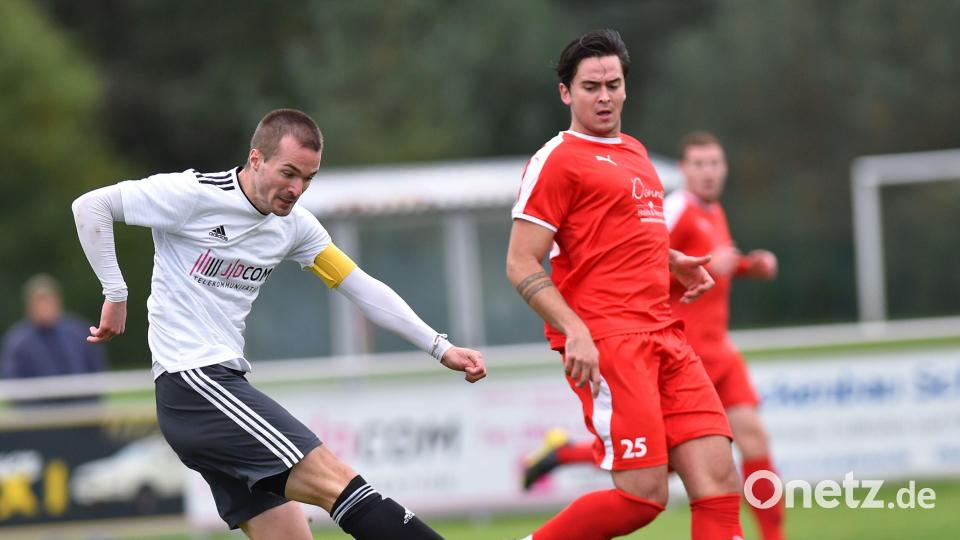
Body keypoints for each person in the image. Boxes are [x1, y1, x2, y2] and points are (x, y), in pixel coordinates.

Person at [71, 108, 486, 540]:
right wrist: (116, 294)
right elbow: (91, 206)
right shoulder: (193, 194)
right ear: (256, 159)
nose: (296, 189)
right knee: (337, 480)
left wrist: (441, 347)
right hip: (196, 385)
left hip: (212, 391)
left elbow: (360, 287)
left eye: (308, 179)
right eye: (288, 173)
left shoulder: (295, 227)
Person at [506, 30, 743, 540]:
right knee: (642, 496)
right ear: (566, 92)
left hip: (667, 334)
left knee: (721, 481)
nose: (605, 95)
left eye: (613, 83)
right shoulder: (558, 159)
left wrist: (672, 260)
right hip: (610, 340)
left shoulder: (636, 153)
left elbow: (621, 238)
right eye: (591, 86)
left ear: (626, 88)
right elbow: (520, 263)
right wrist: (576, 331)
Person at [522, 131, 785, 540]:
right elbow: (628, 256)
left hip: (704, 351)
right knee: (649, 481)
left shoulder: (712, 211)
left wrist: (750, 266)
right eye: (699, 164)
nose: (708, 173)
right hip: (654, 342)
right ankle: (564, 454)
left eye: (715, 163)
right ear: (683, 169)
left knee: (726, 466)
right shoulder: (676, 207)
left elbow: (694, 263)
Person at [1, 274, 107, 404]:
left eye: (48, 301)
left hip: (82, 412)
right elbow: (14, 384)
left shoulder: (78, 332)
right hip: (41, 417)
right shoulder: (17, 342)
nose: (45, 308)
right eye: (39, 303)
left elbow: (96, 370)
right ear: (29, 306)